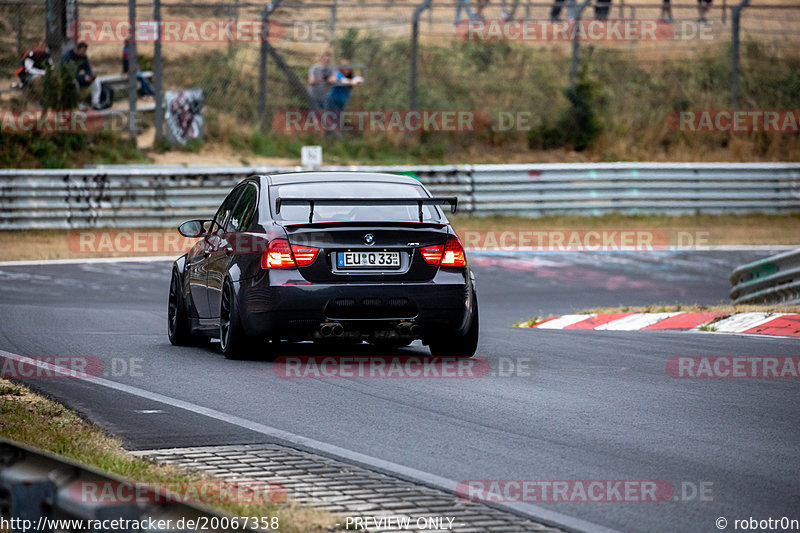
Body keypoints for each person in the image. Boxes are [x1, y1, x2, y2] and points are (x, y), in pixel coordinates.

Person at [62, 42, 103, 110]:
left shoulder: (83, 56)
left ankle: (95, 103)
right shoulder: (68, 56)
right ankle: (77, 103)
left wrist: (89, 76)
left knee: (96, 81)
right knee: (74, 83)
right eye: (83, 51)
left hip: (80, 78)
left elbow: (88, 69)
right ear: (77, 49)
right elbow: (69, 73)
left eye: (85, 51)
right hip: (68, 78)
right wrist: (83, 78)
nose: (84, 53)